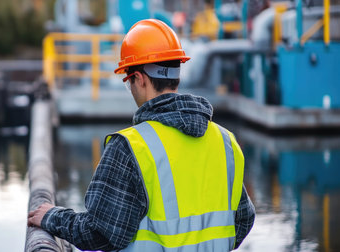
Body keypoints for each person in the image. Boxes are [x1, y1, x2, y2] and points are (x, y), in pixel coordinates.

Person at [28, 19, 255, 251]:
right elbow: (243, 221)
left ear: (140, 78)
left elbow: (100, 233)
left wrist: (52, 217)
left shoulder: (130, 147)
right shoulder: (226, 142)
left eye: (129, 81)